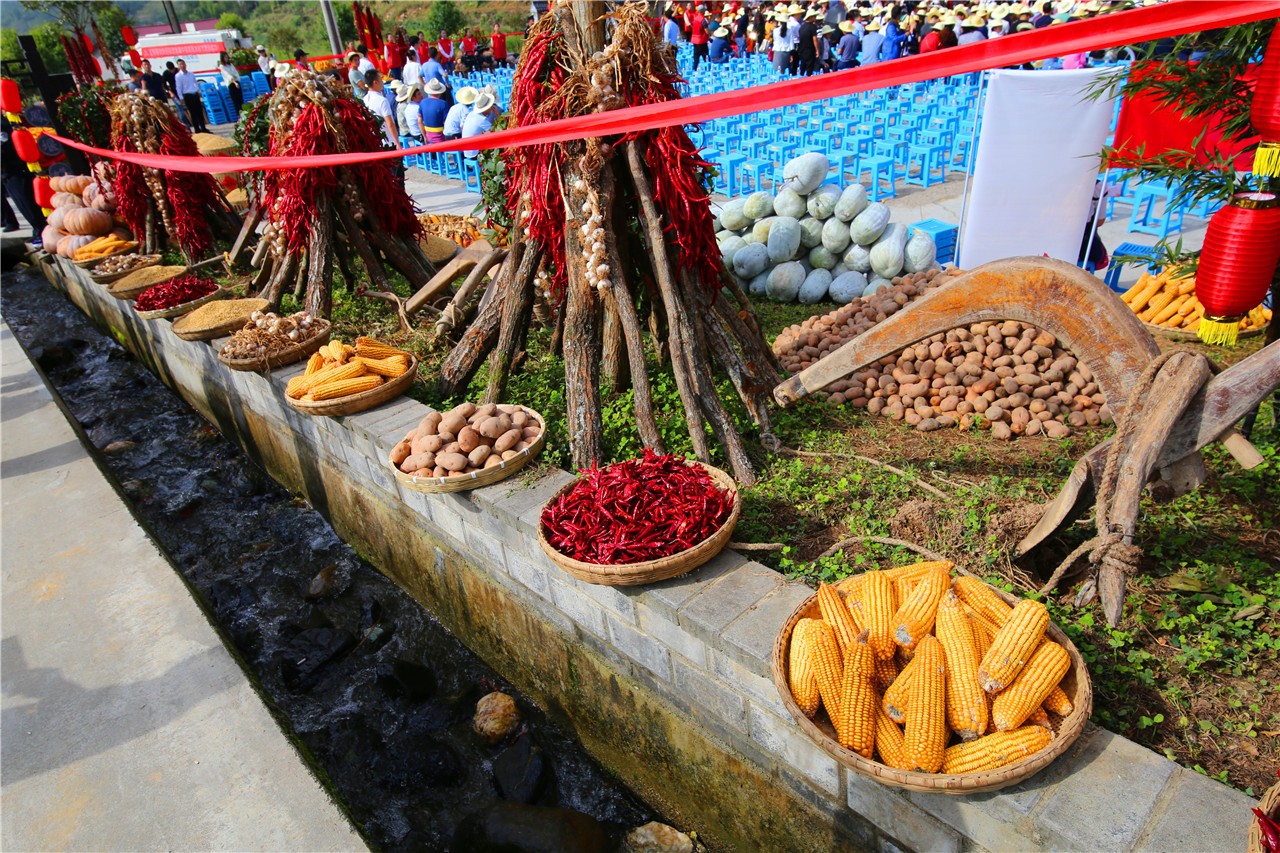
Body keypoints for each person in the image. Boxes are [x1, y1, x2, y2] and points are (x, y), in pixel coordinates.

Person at [1, 115, 47, 243]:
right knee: (23, 204)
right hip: (9, 172)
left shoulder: (1, 125)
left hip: (15, 170)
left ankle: (41, 231)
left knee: (27, 202)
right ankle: (37, 229)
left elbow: (4, 149)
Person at [362, 69, 400, 151]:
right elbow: (390, 123)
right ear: (375, 82)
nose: (382, 82)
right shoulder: (382, 100)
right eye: (381, 80)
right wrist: (397, 142)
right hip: (389, 141)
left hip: (375, 141)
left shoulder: (364, 99)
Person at [174, 59, 209, 133]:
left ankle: (203, 128)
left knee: (199, 111)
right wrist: (181, 98)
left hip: (194, 94)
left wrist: (197, 90)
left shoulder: (191, 74)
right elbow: (178, 87)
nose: (182, 66)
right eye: (180, 64)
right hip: (187, 95)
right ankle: (197, 129)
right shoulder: (178, 76)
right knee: (193, 113)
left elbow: (195, 83)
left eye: (183, 64)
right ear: (178, 66)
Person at [461, 91, 498, 159]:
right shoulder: (482, 119)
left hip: (467, 151)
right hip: (474, 153)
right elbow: (496, 131)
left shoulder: (471, 114)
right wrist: (497, 114)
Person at [162, 61, 191, 128]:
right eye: (170, 70)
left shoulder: (178, 71)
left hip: (183, 91)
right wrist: (170, 92)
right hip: (174, 93)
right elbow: (164, 84)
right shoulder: (166, 73)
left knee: (188, 108)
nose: (172, 71)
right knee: (180, 109)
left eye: (173, 69)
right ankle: (186, 126)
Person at [420, 79, 450, 144]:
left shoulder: (422, 102)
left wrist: (425, 136)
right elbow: (446, 123)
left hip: (428, 136)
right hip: (441, 137)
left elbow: (419, 121)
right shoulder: (443, 104)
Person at [685, 4, 711, 71]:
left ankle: (694, 70)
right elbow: (707, 31)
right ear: (703, 11)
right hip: (702, 41)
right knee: (706, 57)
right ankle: (708, 70)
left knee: (696, 58)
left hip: (695, 40)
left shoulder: (695, 19)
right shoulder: (703, 20)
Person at [795, 8, 820, 75]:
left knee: (802, 66)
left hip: (802, 50)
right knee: (809, 67)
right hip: (810, 50)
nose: (815, 18)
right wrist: (817, 50)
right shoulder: (813, 27)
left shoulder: (802, 27)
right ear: (810, 17)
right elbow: (815, 39)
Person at [771, 7, 792, 73]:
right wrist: (791, 54)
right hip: (786, 52)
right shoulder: (790, 31)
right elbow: (791, 44)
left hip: (777, 51)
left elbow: (775, 41)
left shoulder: (775, 31)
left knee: (777, 71)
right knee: (785, 71)